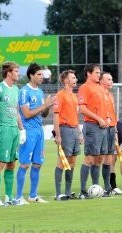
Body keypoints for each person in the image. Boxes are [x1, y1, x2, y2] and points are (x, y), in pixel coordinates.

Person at [0, 61, 26, 206]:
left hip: (14, 129)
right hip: (3, 129)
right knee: (0, 163)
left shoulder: (16, 89)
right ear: (8, 72)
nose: (18, 73)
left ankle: (9, 197)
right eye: (16, 71)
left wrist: (22, 129)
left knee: (11, 164)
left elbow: (16, 111)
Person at [15, 63, 53, 205]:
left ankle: (33, 195)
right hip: (29, 131)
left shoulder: (40, 92)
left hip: (39, 131)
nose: (41, 77)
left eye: (42, 75)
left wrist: (48, 106)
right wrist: (44, 105)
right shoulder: (24, 91)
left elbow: (43, 114)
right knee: (25, 164)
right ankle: (18, 197)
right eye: (39, 74)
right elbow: (26, 113)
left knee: (37, 164)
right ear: (31, 75)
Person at [78, 63, 110, 199]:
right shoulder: (84, 88)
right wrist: (99, 119)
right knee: (90, 158)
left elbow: (106, 105)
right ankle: (83, 190)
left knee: (99, 158)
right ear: (89, 74)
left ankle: (96, 188)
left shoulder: (100, 88)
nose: (99, 74)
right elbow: (82, 109)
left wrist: (107, 118)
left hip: (103, 126)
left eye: (99, 72)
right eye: (97, 72)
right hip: (92, 126)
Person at [53, 70, 82, 200]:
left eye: (75, 77)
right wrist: (58, 135)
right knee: (62, 161)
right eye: (73, 77)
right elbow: (56, 115)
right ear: (66, 81)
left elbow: (75, 116)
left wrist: (80, 133)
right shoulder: (60, 95)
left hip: (75, 130)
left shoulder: (74, 96)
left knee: (73, 161)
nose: (75, 79)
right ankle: (59, 193)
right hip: (65, 129)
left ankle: (68, 191)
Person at [99, 72, 119, 196]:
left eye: (112, 79)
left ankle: (108, 186)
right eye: (108, 79)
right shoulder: (98, 95)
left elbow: (113, 113)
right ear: (101, 81)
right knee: (99, 157)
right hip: (102, 128)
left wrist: (115, 129)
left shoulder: (110, 95)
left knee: (109, 157)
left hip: (112, 128)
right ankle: (98, 185)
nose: (111, 81)